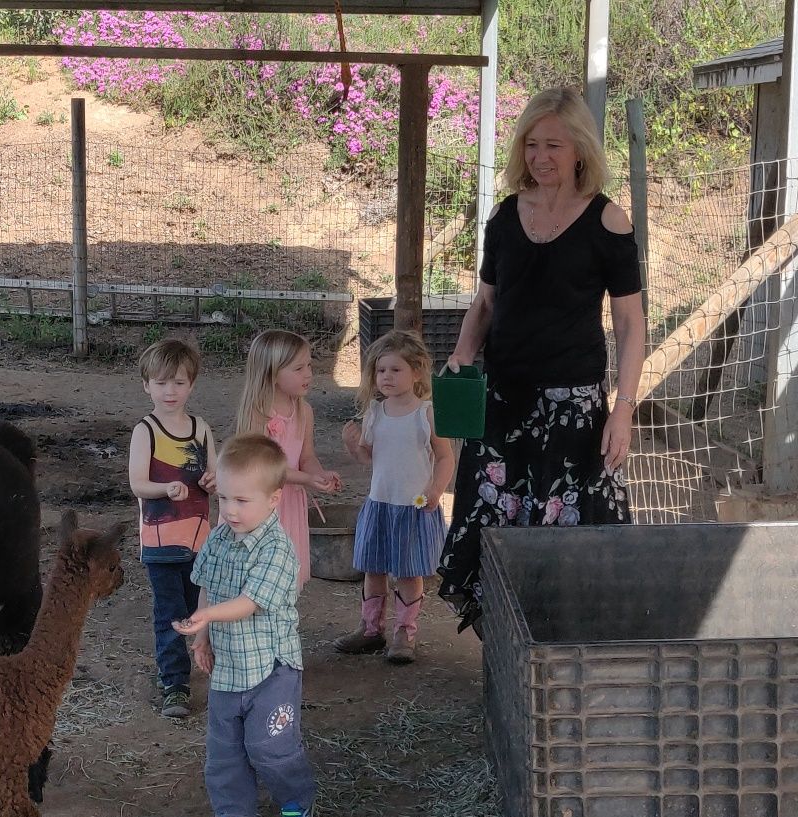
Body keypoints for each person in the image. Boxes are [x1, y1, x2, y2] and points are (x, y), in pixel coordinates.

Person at [437, 87, 646, 636]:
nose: (541, 157)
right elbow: (485, 303)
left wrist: (623, 409)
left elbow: (630, 324)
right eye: (532, 144)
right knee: (492, 533)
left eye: (554, 144)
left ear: (580, 148)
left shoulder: (610, 222)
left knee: (574, 543)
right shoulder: (505, 218)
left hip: (574, 413)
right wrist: (462, 355)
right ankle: (506, 652)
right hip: (503, 405)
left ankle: (569, 651)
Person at [173, 434, 317, 817]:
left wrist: (208, 618)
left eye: (242, 501)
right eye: (225, 500)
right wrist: (203, 635)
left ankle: (295, 802)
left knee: (270, 745)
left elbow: (250, 602)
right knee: (224, 749)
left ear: (273, 500)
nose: (231, 511)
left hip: (272, 668)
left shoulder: (277, 549)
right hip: (229, 668)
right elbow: (207, 587)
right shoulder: (219, 538)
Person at [337, 330, 455, 663]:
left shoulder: (426, 413)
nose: (386, 376)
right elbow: (369, 458)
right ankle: (371, 629)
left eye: (396, 369)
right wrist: (353, 446)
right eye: (380, 370)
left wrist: (435, 489)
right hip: (380, 503)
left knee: (407, 573)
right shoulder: (375, 413)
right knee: (373, 569)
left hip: (413, 507)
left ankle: (405, 632)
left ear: (417, 372)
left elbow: (445, 457)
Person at [128, 338, 218, 718]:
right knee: (171, 612)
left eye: (179, 383)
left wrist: (215, 481)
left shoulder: (201, 429)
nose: (170, 391)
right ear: (147, 385)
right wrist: (164, 488)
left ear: (191, 385)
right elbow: (137, 484)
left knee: (203, 606)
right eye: (162, 382)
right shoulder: (145, 431)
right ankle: (175, 683)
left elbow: (215, 474)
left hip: (200, 540)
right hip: (161, 541)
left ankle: (213, 665)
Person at [234, 330, 341, 590]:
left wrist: (319, 474)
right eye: (298, 368)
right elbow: (261, 468)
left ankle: (281, 629)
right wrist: (307, 478)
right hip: (259, 505)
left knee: (286, 578)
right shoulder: (257, 413)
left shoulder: (305, 411)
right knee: (255, 577)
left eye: (309, 366)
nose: (308, 374)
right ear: (272, 373)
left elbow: (307, 457)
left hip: (290, 504)